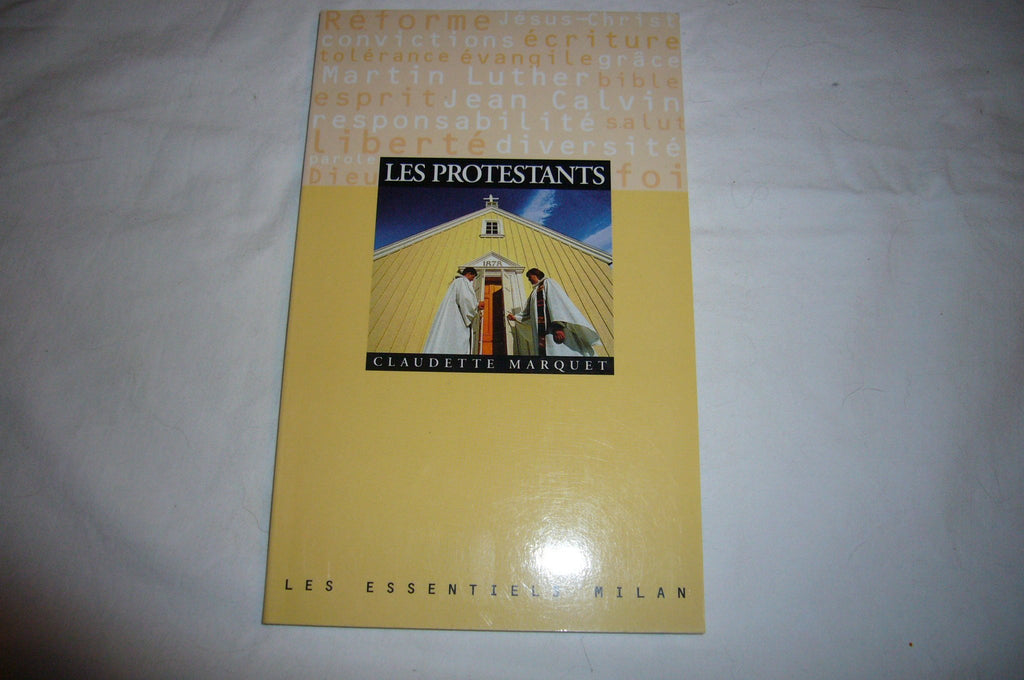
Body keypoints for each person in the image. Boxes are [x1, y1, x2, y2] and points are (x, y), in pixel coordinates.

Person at [507, 268, 601, 356]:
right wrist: (516, 317)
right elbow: (528, 313)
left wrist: (558, 326)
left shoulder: (549, 283)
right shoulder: (534, 292)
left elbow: (557, 304)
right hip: (542, 332)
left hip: (555, 329)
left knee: (562, 352)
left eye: (530, 277)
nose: (529, 280)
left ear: (536, 275)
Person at [423, 267, 486, 354]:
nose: (472, 280)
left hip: (454, 314)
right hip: (458, 317)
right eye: (472, 277)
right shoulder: (462, 282)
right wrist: (476, 306)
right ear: (468, 274)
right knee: (459, 339)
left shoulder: (456, 282)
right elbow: (465, 299)